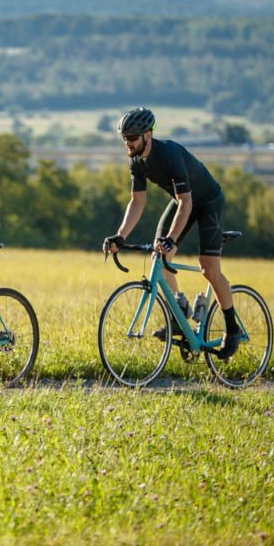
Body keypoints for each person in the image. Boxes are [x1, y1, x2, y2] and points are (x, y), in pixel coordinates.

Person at [102, 107, 242, 359]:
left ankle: (232, 329)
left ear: (148, 134)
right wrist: (119, 236)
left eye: (132, 137)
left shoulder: (170, 154)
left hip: (207, 201)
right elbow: (137, 202)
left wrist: (172, 239)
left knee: (208, 268)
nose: (128, 142)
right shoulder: (135, 160)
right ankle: (179, 312)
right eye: (125, 137)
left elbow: (187, 203)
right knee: (159, 254)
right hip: (182, 202)